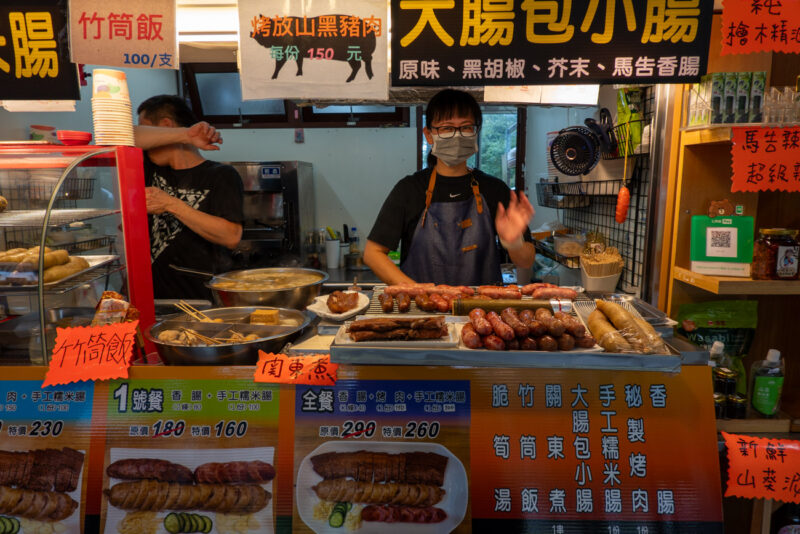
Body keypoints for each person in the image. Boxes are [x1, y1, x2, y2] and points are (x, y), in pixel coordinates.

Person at [364, 89, 535, 286]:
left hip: (482, 312)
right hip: (423, 311)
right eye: (446, 128)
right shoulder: (409, 190)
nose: (457, 135)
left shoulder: (494, 189)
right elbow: (373, 253)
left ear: (475, 132)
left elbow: (526, 260)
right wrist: (417, 291)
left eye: (465, 127)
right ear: (429, 135)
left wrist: (513, 243)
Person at [134, 95, 243, 300]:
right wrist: (186, 134)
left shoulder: (220, 175)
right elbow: (126, 135)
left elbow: (231, 236)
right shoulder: (148, 168)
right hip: (152, 300)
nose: (146, 144)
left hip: (202, 301)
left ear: (166, 124)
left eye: (147, 125)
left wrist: (171, 204)